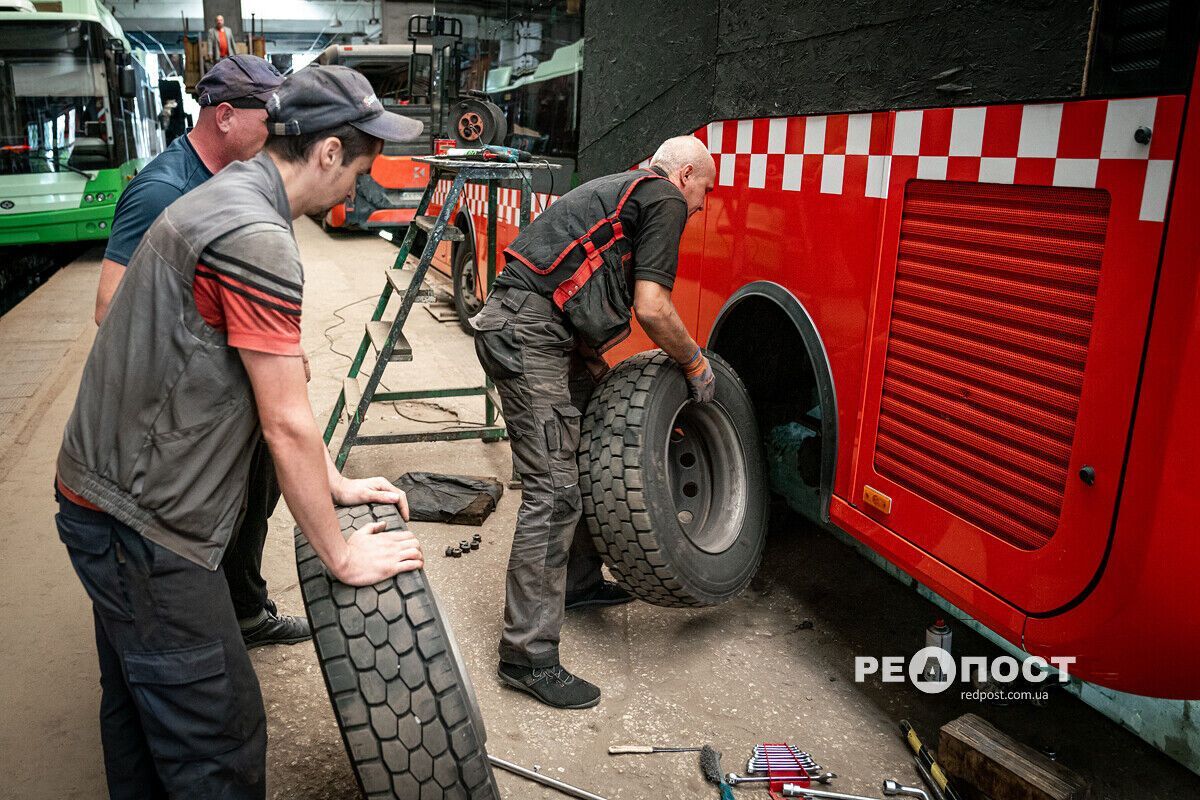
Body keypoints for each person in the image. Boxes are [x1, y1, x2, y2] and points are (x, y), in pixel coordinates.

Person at [55, 64, 425, 798]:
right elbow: (285, 422)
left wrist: (336, 482)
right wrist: (340, 553)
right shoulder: (255, 234)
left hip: (104, 496)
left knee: (138, 700)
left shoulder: (225, 195)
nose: (362, 185)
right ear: (326, 153)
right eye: (362, 165)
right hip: (143, 522)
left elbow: (252, 388)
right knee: (216, 731)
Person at [471, 135, 716, 710]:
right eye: (706, 189)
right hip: (528, 333)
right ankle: (526, 657)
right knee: (553, 492)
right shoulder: (664, 199)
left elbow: (571, 280)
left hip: (542, 330)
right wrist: (694, 360)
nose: (704, 205)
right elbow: (652, 306)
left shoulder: (625, 192)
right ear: (684, 175)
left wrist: (592, 366)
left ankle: (578, 583)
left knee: (583, 451)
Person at [94, 55, 308, 651]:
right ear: (225, 116)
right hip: (184, 404)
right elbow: (110, 306)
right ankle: (219, 619)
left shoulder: (233, 180)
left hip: (231, 392)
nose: (278, 133)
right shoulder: (163, 187)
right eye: (268, 118)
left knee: (251, 501)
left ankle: (244, 608)